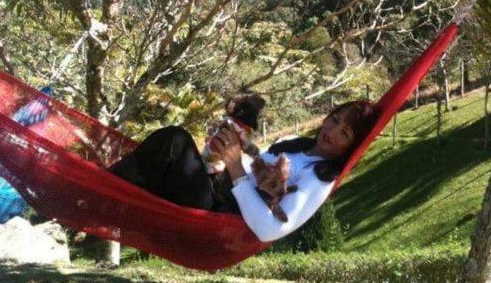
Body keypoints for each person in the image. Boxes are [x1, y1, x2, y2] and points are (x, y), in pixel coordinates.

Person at [109, 99, 379, 243]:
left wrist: (235, 165)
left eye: (344, 133)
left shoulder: (318, 179)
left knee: (174, 141)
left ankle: (102, 192)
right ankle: (105, 190)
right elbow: (253, 168)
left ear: (352, 147)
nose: (331, 132)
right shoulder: (298, 146)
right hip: (215, 188)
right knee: (165, 154)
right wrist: (222, 151)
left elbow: (269, 230)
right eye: (334, 120)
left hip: (219, 218)